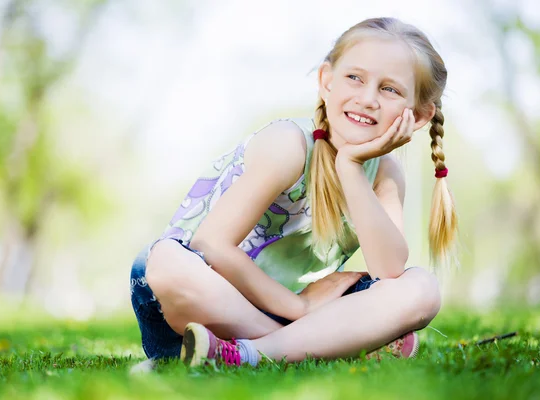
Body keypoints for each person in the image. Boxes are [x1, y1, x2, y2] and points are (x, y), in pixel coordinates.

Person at [130, 17, 458, 368]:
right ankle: (310, 346)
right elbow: (211, 246)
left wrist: (350, 167)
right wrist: (300, 309)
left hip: (287, 313)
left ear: (420, 116)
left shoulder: (386, 174)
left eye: (389, 89)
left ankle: (245, 355)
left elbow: (388, 270)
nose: (367, 99)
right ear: (326, 81)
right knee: (165, 259)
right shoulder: (290, 144)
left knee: (421, 288)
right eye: (354, 78)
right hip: (202, 299)